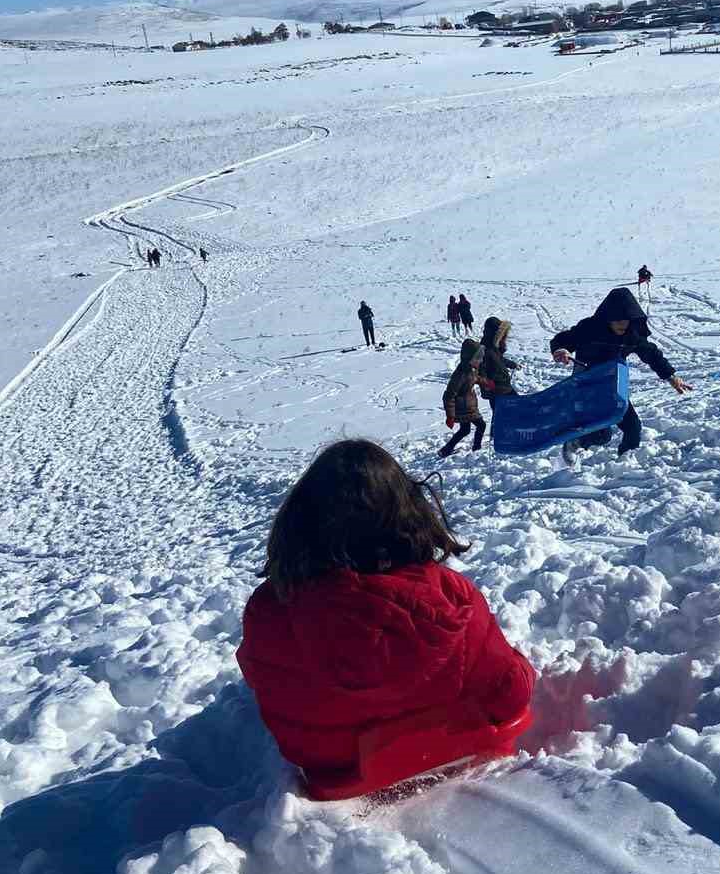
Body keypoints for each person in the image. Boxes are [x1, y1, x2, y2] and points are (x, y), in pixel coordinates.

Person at [236, 439, 535, 800]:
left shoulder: (271, 610)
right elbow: (510, 694)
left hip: (335, 763)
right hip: (462, 746)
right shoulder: (448, 593)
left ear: (300, 523)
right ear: (407, 512)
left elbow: (264, 682)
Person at [550, 286, 691, 461]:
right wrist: (561, 350)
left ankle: (626, 463)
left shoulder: (631, 334)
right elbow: (563, 340)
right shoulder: (589, 328)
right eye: (617, 320)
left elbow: (651, 354)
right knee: (602, 435)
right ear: (607, 318)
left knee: (633, 428)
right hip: (586, 386)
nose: (622, 324)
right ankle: (575, 443)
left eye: (626, 320)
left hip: (612, 387)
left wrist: (670, 376)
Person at [440, 338, 486, 455]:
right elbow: (449, 395)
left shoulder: (470, 369)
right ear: (469, 357)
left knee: (464, 430)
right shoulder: (460, 374)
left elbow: (475, 378)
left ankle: (446, 450)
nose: (479, 360)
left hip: (468, 405)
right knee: (481, 425)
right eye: (477, 358)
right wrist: (450, 416)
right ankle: (476, 448)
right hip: (464, 407)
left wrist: (485, 382)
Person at [478, 317, 520, 408]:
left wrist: (513, 364)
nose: (503, 337)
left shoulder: (493, 347)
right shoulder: (484, 349)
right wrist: (487, 384)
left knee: (515, 406)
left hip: (503, 386)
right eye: (501, 334)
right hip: (496, 389)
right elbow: (480, 370)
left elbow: (499, 360)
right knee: (503, 412)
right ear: (494, 334)